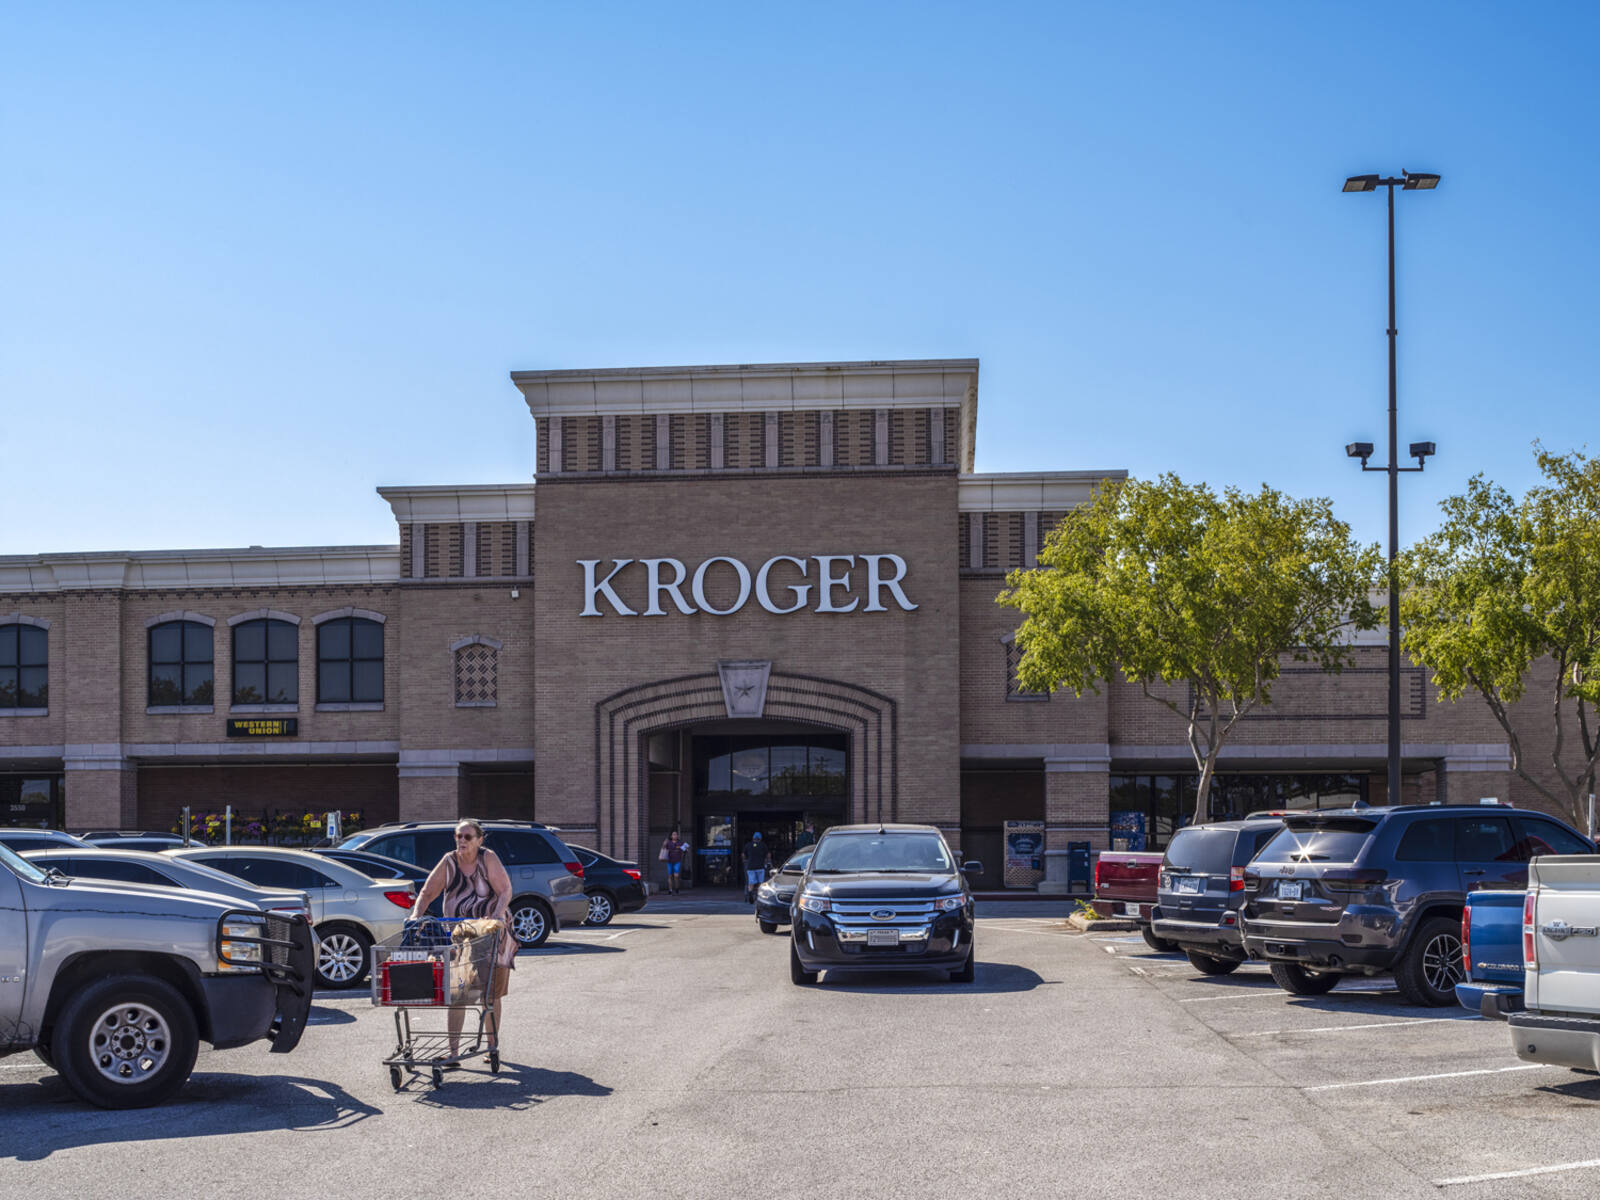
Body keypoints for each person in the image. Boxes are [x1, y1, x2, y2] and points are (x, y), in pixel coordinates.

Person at [409, 818, 514, 1066]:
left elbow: (505, 890)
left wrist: (497, 916)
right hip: (459, 934)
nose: (462, 841)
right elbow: (427, 892)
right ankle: (454, 1052)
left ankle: (492, 1047)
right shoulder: (449, 861)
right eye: (458, 836)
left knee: (490, 994)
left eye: (467, 837)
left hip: (491, 933)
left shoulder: (488, 858)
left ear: (479, 840)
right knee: (457, 993)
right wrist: (415, 916)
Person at [742, 830, 771, 903]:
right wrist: (768, 861)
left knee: (750, 882)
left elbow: (743, 854)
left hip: (750, 867)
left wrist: (745, 860)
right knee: (760, 883)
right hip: (760, 867)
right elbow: (768, 854)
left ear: (753, 838)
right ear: (760, 838)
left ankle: (750, 893)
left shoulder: (748, 845)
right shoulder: (763, 845)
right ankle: (758, 896)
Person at [660, 826, 687, 895]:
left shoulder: (680, 843)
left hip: (677, 861)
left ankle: (677, 888)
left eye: (676, 834)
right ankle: (670, 889)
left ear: (677, 836)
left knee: (676, 876)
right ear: (671, 836)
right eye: (673, 834)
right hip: (669, 861)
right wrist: (664, 844)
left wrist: (685, 849)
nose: (674, 836)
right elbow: (663, 849)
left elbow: (685, 850)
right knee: (670, 876)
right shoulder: (668, 842)